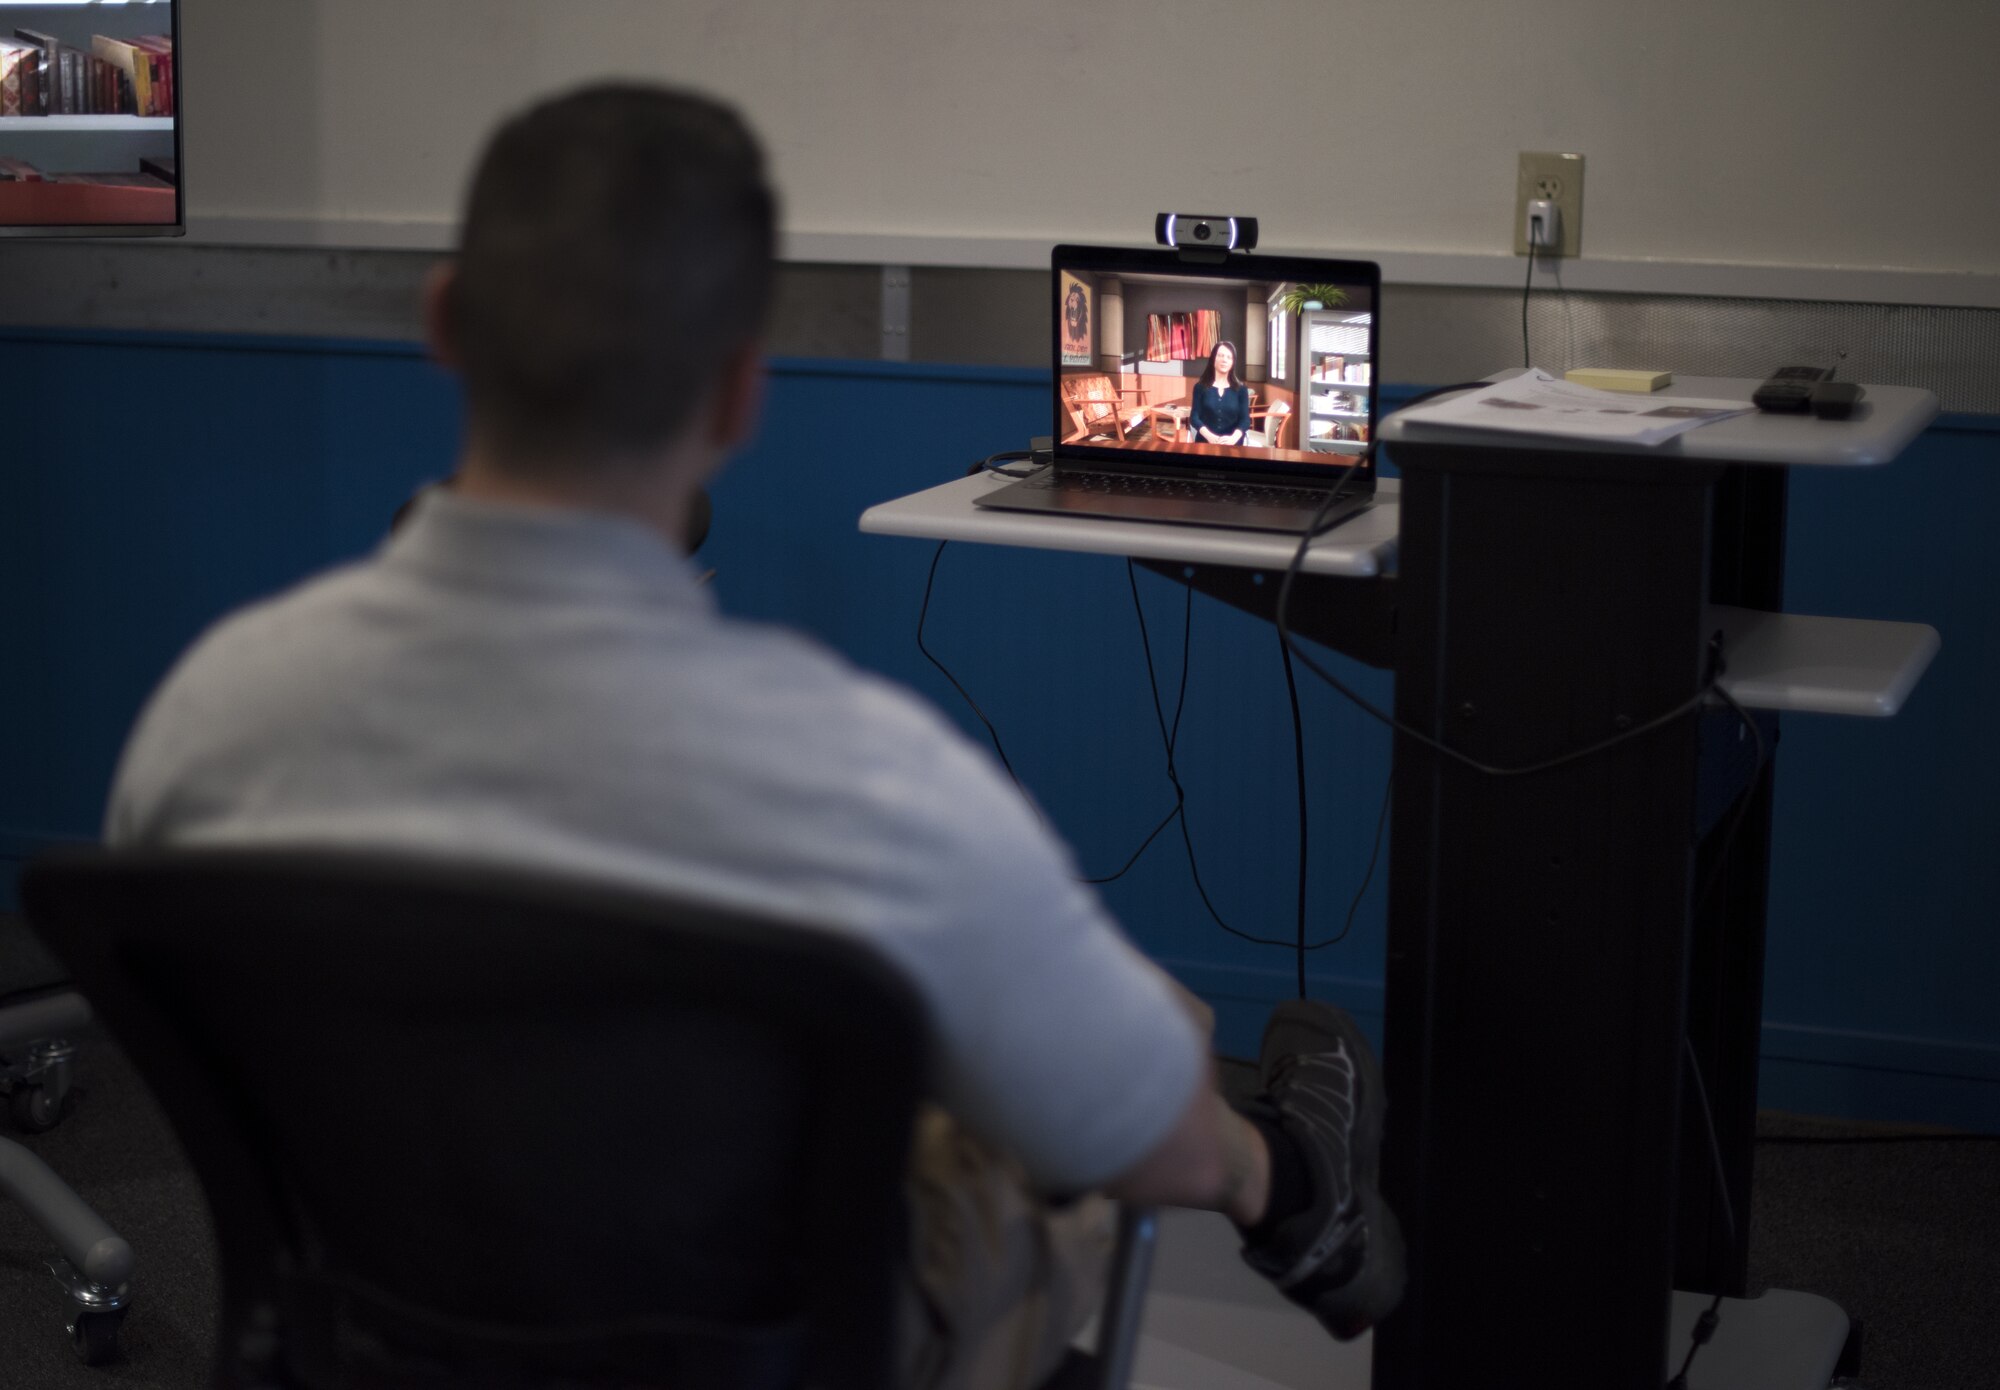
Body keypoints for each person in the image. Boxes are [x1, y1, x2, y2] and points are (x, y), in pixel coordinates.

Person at [102, 84, 1402, 1390]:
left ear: (443, 321)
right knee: (1133, 1066)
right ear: (739, 390)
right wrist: (1261, 1170)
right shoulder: (859, 782)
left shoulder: (209, 720)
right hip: (767, 1355)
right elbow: (1126, 1129)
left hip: (375, 1332)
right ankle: (1298, 1179)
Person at [1188, 340, 1251, 445]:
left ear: (1233, 362)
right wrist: (1210, 437)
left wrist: (1233, 438)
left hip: (1233, 444)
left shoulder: (1241, 389)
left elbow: (1245, 420)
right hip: (1205, 443)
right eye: (1220, 355)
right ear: (1213, 359)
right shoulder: (1200, 387)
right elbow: (1194, 417)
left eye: (1229, 357)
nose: (1224, 360)